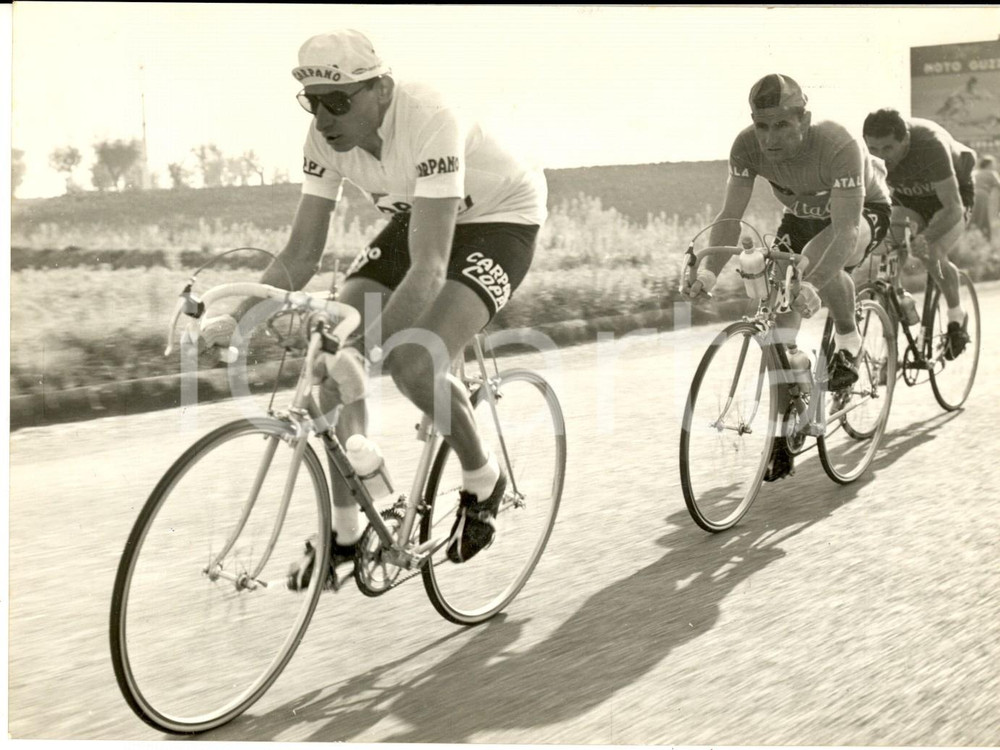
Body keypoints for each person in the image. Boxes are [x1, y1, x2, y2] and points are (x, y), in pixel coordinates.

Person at [196, 29, 547, 583]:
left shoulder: (430, 117)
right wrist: (237, 316)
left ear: (382, 89)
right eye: (312, 103)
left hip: (500, 221)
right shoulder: (323, 141)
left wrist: (371, 351)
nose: (323, 117)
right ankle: (347, 529)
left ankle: (483, 480)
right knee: (329, 349)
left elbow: (429, 265)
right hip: (424, 212)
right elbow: (301, 252)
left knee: (410, 361)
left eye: (338, 101)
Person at [683, 74, 891, 482]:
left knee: (811, 264)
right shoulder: (745, 147)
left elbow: (846, 230)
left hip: (862, 214)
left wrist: (812, 283)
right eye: (762, 125)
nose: (769, 138)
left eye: (781, 125)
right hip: (799, 218)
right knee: (777, 316)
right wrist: (708, 271)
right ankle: (790, 409)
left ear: (804, 119)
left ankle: (848, 340)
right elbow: (730, 218)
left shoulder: (838, 144)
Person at [862, 108, 976, 360]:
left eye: (888, 148)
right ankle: (897, 304)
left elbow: (953, 207)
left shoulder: (929, 145)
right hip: (908, 199)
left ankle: (957, 317)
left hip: (950, 198)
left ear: (906, 140)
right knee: (890, 253)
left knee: (931, 253)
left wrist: (925, 237)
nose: (881, 157)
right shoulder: (869, 157)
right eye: (874, 149)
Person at [971, 155, 1000, 240]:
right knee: (984, 217)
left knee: (974, 216)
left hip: (972, 195)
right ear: (988, 164)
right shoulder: (991, 173)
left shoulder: (975, 172)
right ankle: (984, 237)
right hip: (983, 195)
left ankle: (973, 236)